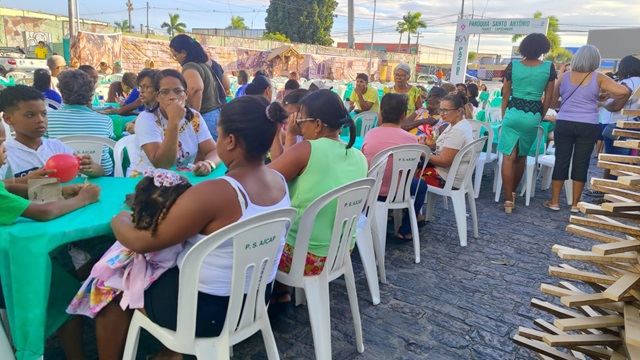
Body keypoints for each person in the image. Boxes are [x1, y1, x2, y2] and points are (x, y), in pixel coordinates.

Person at [95, 95, 290, 360]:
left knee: (114, 282)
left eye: (219, 135)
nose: (218, 141)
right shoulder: (278, 180)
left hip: (207, 312)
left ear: (230, 141)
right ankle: (171, 352)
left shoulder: (218, 191)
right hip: (254, 301)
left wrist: (119, 219)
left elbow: (140, 241)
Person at [0, 118, 100, 360]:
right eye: (1, 143)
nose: (5, 149)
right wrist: (83, 198)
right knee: (65, 290)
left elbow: (8, 187)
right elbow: (44, 213)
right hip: (7, 275)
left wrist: (59, 189)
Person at [269, 89, 367, 277]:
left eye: (302, 122)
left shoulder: (307, 149)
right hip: (342, 252)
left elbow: (268, 180)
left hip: (305, 257)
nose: (300, 127)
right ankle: (282, 293)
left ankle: (274, 295)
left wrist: (288, 135)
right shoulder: (359, 156)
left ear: (318, 125)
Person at [67, 169, 191, 318]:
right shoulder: (186, 226)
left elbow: (135, 245)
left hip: (162, 290)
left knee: (107, 288)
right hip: (180, 282)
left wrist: (121, 218)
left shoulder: (148, 236)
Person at [544, 45, 631, 212]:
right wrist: (607, 95)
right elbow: (623, 92)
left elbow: (553, 102)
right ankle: (575, 204)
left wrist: (570, 104)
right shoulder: (598, 77)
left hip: (565, 122)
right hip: (588, 124)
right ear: (595, 60)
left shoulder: (565, 77)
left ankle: (554, 201)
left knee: (561, 160)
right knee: (581, 162)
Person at [497, 33, 557, 214]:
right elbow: (548, 98)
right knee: (521, 157)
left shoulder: (513, 66)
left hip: (513, 111)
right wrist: (540, 116)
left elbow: (505, 94)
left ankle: (508, 200)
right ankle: (513, 192)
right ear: (543, 49)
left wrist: (504, 114)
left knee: (508, 157)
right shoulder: (549, 67)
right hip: (533, 114)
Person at [127, 69, 221, 177]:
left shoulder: (194, 117)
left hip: (180, 179)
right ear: (157, 97)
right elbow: (162, 164)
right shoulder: (147, 118)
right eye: (165, 92)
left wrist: (209, 163)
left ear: (185, 94)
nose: (172, 97)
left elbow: (214, 150)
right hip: (145, 181)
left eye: (178, 91)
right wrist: (174, 121)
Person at [362, 93, 428, 241]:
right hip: (398, 192)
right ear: (404, 115)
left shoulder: (370, 134)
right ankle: (405, 230)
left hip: (371, 191)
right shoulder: (411, 139)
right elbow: (412, 170)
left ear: (381, 112)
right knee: (420, 185)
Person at [2, 85, 104, 178]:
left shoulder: (56, 146)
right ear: (8, 119)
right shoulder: (5, 153)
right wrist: (26, 180)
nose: (40, 120)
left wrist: (90, 167)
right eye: (30, 115)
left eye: (43, 114)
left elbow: (100, 172)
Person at [45, 70, 115, 176]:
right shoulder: (105, 120)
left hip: (61, 173)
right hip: (102, 175)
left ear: (62, 92)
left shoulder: (46, 119)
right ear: (91, 93)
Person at [170, 34, 230, 141]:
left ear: (183, 52)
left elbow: (195, 89)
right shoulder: (206, 65)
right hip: (219, 113)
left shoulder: (190, 67)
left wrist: (193, 116)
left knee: (208, 154)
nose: (176, 59)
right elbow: (227, 85)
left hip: (206, 116)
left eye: (175, 55)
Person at [423, 92, 474, 190]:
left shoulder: (458, 131)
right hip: (449, 174)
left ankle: (403, 203)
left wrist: (423, 152)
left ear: (459, 111)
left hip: (447, 179)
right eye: (440, 110)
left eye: (445, 111)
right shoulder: (458, 124)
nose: (441, 114)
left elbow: (444, 161)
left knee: (406, 177)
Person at [123, 68, 160, 134]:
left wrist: (135, 129)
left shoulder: (163, 112)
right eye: (140, 87)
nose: (141, 91)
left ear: (157, 88)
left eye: (146, 87)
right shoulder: (150, 109)